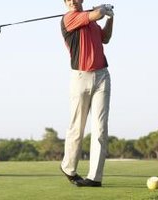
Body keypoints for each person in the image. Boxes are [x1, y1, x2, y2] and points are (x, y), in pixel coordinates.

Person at [59, 0, 114, 187]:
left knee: (100, 128)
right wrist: (102, 10)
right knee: (77, 126)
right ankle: (68, 167)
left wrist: (110, 18)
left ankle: (95, 177)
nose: (73, 1)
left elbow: (105, 38)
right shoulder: (69, 18)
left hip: (102, 76)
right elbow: (95, 14)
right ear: (65, 3)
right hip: (80, 76)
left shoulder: (92, 22)